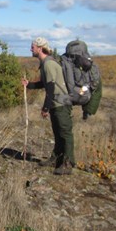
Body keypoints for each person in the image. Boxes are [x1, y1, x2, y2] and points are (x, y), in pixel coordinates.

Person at [21, 37, 75, 175]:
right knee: (58, 133)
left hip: (61, 104)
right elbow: (45, 83)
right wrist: (29, 84)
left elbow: (50, 88)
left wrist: (46, 107)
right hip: (57, 103)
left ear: (40, 48)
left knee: (65, 134)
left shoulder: (48, 64)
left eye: (33, 47)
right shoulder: (46, 63)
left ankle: (67, 164)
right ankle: (56, 159)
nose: (31, 49)